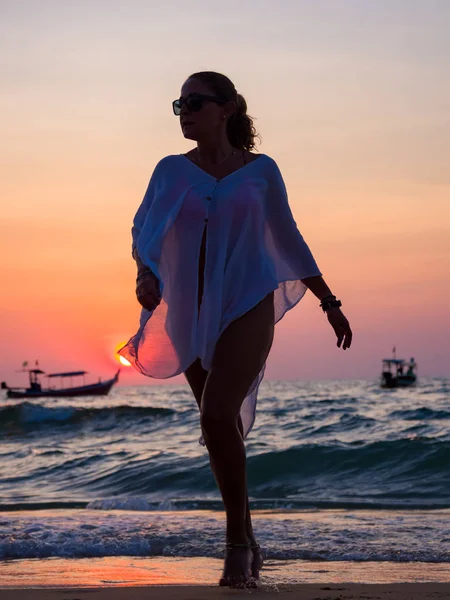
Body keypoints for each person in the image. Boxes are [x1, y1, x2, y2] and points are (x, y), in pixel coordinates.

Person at [119, 71, 352, 588]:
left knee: (218, 411)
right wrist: (145, 273)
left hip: (247, 300)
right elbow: (143, 230)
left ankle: (237, 545)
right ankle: (247, 534)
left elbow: (287, 234)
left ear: (226, 109)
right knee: (216, 426)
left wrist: (327, 300)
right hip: (187, 308)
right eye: (178, 104)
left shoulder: (261, 171)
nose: (185, 111)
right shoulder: (171, 171)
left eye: (195, 102)